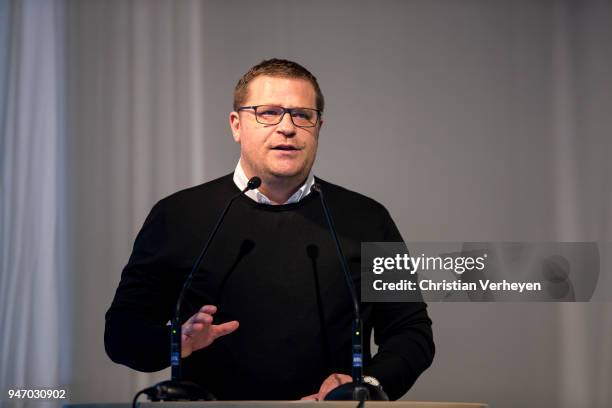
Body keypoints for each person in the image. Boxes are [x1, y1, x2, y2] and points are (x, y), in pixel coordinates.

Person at [105, 58, 434, 401]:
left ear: (318, 126)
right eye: (268, 113)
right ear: (236, 125)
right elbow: (122, 333)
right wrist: (176, 341)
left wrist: (367, 385)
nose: (287, 127)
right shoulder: (177, 215)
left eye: (302, 115)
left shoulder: (367, 219)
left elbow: (411, 333)